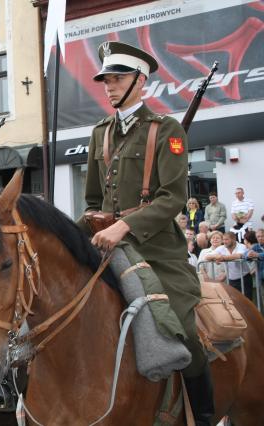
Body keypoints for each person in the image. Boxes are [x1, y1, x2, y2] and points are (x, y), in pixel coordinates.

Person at [79, 41, 214, 424]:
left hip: (158, 253)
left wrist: (124, 226)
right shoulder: (99, 133)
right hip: (107, 248)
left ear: (142, 81)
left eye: (118, 78)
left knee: (183, 326)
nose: (109, 86)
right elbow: (92, 199)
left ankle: (203, 415)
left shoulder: (166, 129)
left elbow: (173, 198)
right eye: (106, 79)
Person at [206, 232, 252, 301]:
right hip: (231, 280)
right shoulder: (222, 247)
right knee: (234, 303)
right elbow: (207, 256)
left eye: (226, 239)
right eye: (223, 239)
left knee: (247, 302)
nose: (224, 242)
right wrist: (217, 256)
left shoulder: (241, 246)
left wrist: (223, 258)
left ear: (233, 239)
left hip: (244, 278)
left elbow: (239, 255)